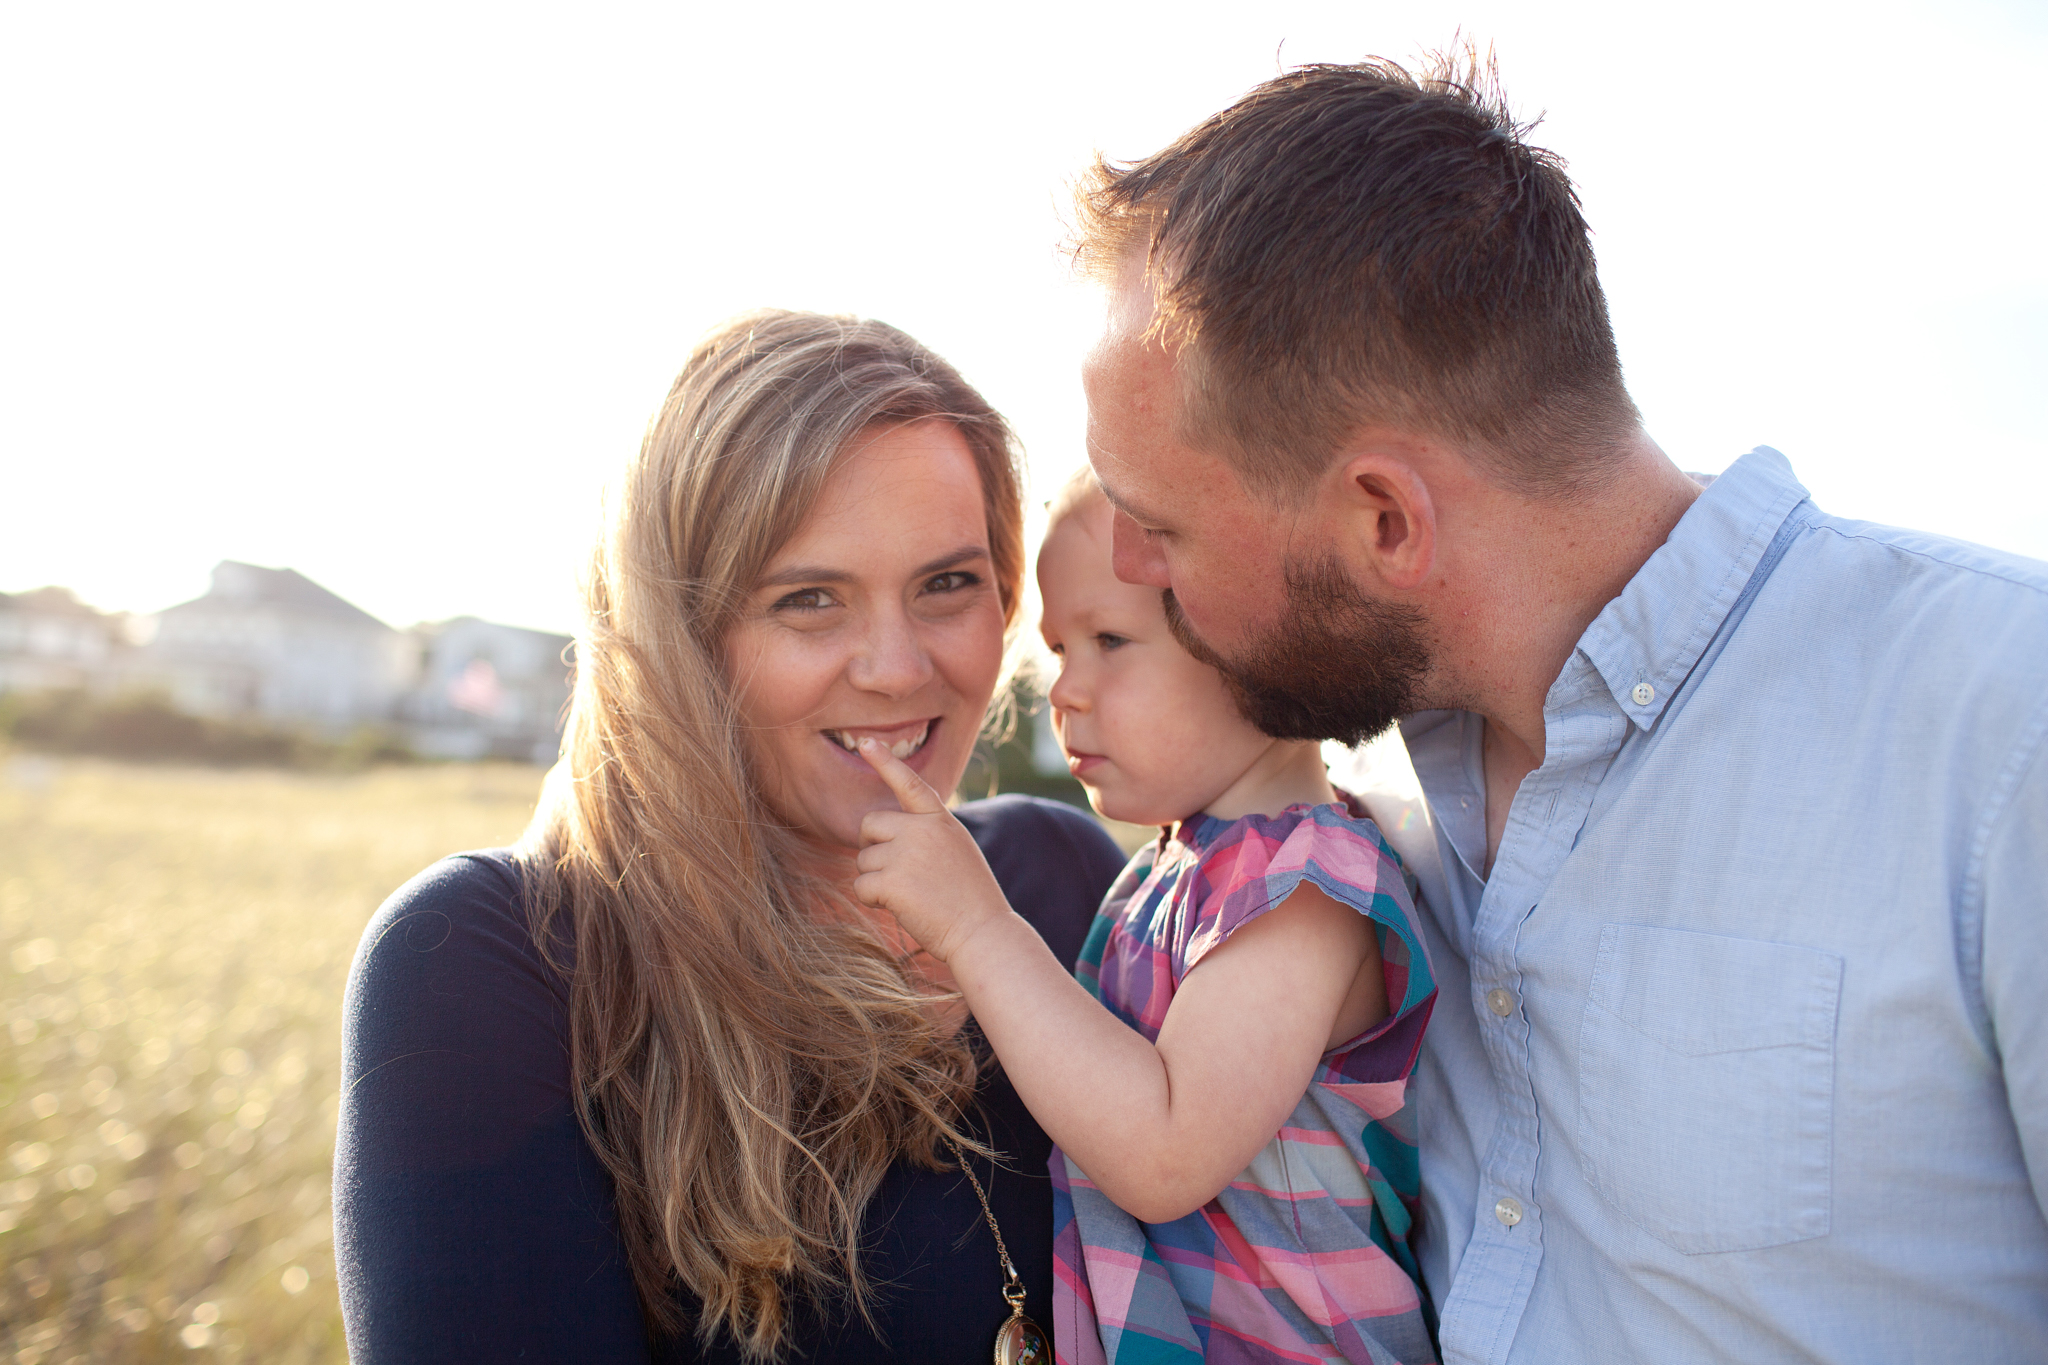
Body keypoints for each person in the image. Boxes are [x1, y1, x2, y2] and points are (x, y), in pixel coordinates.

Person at [1067, 53, 2048, 1365]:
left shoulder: (2003, 722)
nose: (1129, 568)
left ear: (1384, 522)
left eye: (1159, 521)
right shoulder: (1367, 808)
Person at [332, 310, 1130, 1362]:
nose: (897, 668)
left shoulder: (1060, 875)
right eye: (808, 600)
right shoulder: (495, 962)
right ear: (682, 636)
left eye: (947, 584)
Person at [849, 472, 1438, 1363]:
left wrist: (977, 927)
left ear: (1262, 640)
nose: (1065, 691)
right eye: (1056, 650)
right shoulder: (1170, 868)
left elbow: (1165, 1153)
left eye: (1110, 641)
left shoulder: (1308, 887)